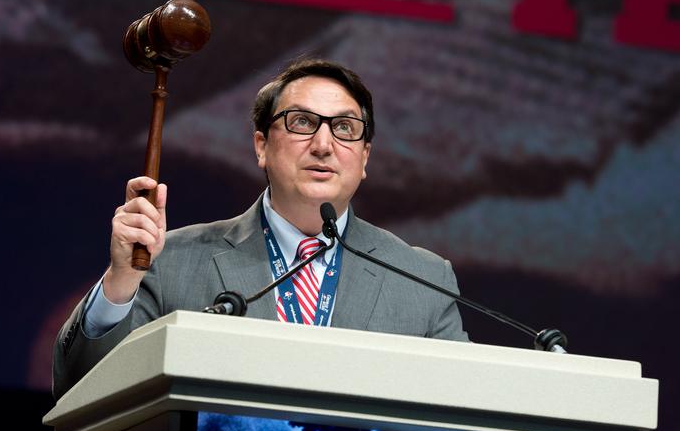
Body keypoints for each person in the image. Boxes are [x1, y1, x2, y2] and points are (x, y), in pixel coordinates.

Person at [52, 58, 469, 399]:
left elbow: (463, 419)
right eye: (302, 122)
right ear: (261, 146)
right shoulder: (171, 261)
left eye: (344, 128)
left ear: (364, 158)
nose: (323, 144)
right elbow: (77, 388)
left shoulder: (424, 281)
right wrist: (121, 281)